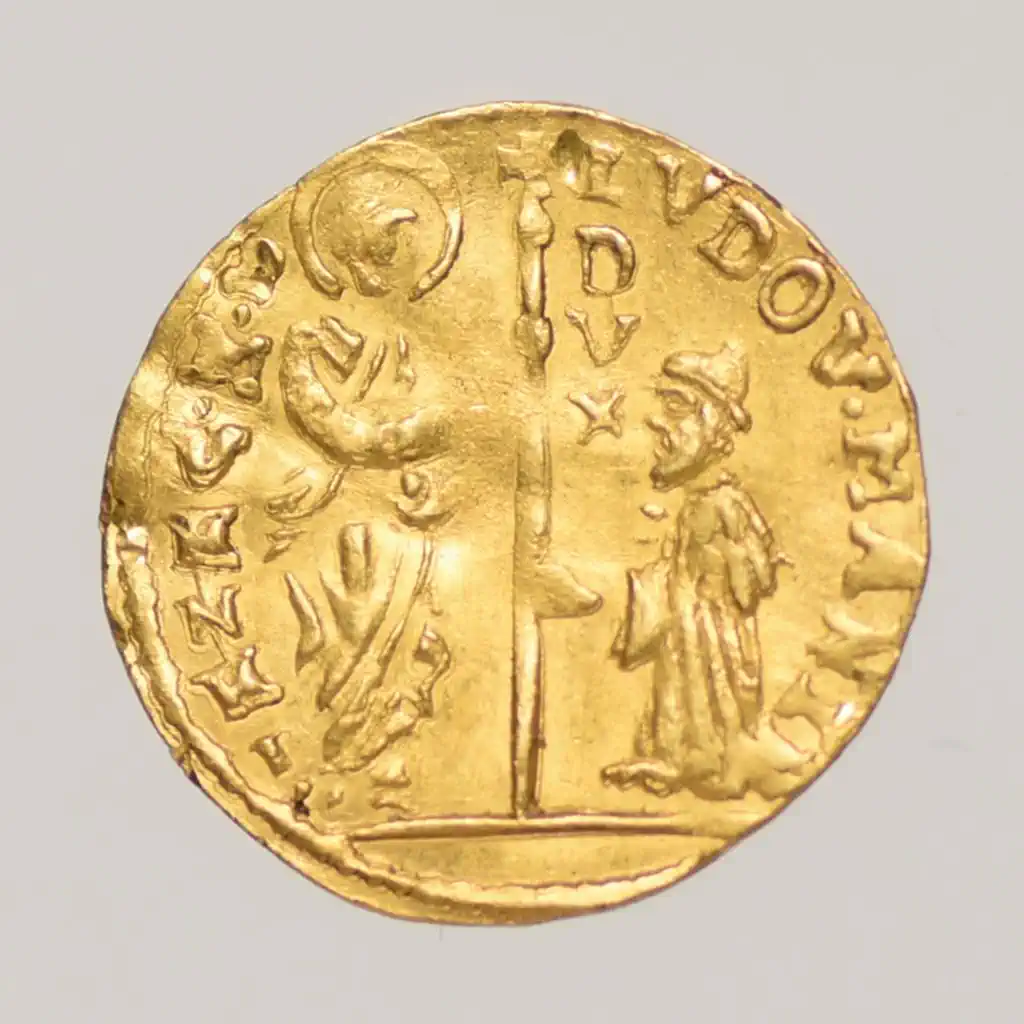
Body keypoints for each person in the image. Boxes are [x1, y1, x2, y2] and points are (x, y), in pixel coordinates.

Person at [602, 341, 806, 799]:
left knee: (702, 643)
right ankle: (684, 754)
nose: (657, 421)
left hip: (717, 670)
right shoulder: (699, 509)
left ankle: (707, 757)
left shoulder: (720, 508)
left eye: (676, 407)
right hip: (691, 666)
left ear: (715, 424)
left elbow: (746, 592)